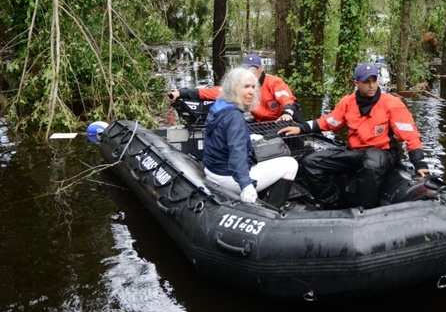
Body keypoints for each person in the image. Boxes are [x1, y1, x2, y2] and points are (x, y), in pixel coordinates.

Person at [280, 63, 429, 209]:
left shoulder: (391, 103)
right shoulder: (348, 102)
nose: (372, 86)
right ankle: (333, 203)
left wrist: (420, 163)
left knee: (371, 162)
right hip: (356, 152)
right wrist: (301, 128)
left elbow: (410, 134)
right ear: (356, 83)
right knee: (311, 162)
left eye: (374, 80)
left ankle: (366, 209)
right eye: (366, 82)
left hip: (383, 153)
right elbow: (329, 121)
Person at [202, 67, 298, 205]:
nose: (252, 92)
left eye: (253, 87)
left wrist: (250, 138)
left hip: (212, 169)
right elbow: (237, 152)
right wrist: (246, 185)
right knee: (290, 164)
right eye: (246, 87)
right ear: (234, 88)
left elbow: (222, 138)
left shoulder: (220, 105)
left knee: (266, 148)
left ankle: (263, 193)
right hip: (228, 177)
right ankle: (273, 208)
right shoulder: (234, 117)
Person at [168, 53, 303, 122]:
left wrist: (287, 113)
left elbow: (286, 99)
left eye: (253, 69)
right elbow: (215, 92)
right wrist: (181, 93)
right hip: (262, 123)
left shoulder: (274, 82)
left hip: (284, 120)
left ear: (261, 69)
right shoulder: (241, 84)